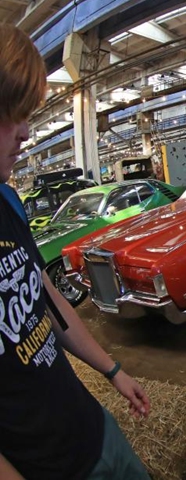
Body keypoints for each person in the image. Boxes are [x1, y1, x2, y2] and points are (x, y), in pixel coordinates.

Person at [0, 24, 151, 480]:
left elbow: (49, 300)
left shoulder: (8, 201)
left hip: (92, 429)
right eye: (10, 113)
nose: (26, 132)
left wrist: (113, 371)